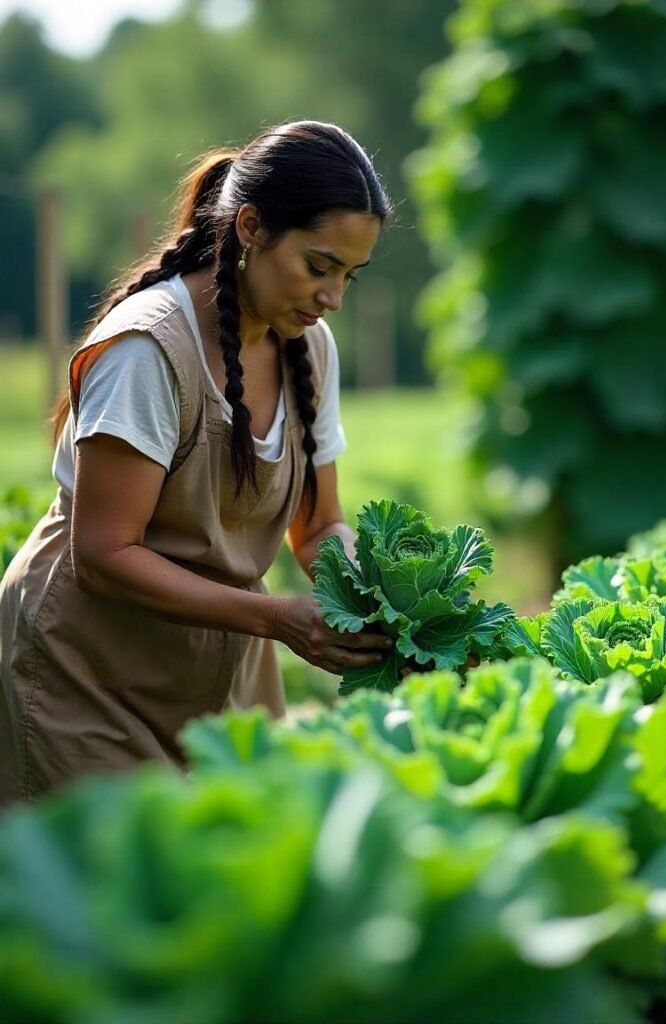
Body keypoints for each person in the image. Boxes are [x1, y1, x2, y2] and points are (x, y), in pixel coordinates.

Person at [0, 120, 395, 806]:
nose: (333, 298)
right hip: (84, 681)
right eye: (319, 266)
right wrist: (279, 619)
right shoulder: (147, 350)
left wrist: (383, 600)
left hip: (220, 680)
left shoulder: (311, 347)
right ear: (251, 227)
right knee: (112, 904)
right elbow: (102, 553)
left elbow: (321, 525)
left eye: (350, 276)